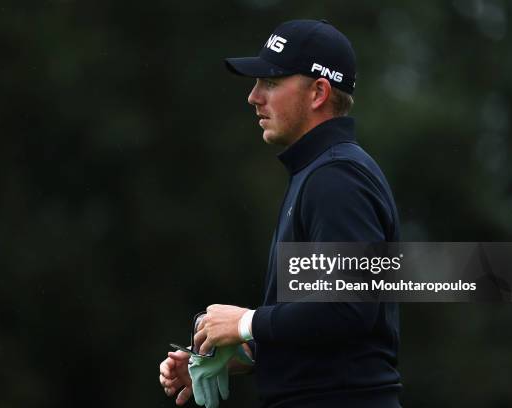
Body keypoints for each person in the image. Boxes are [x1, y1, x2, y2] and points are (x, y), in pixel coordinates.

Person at [159, 19, 402, 408]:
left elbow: (349, 308)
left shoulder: (335, 177)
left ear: (318, 92)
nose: (254, 97)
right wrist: (245, 352)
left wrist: (244, 322)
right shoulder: (317, 172)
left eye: (270, 82)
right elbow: (322, 322)